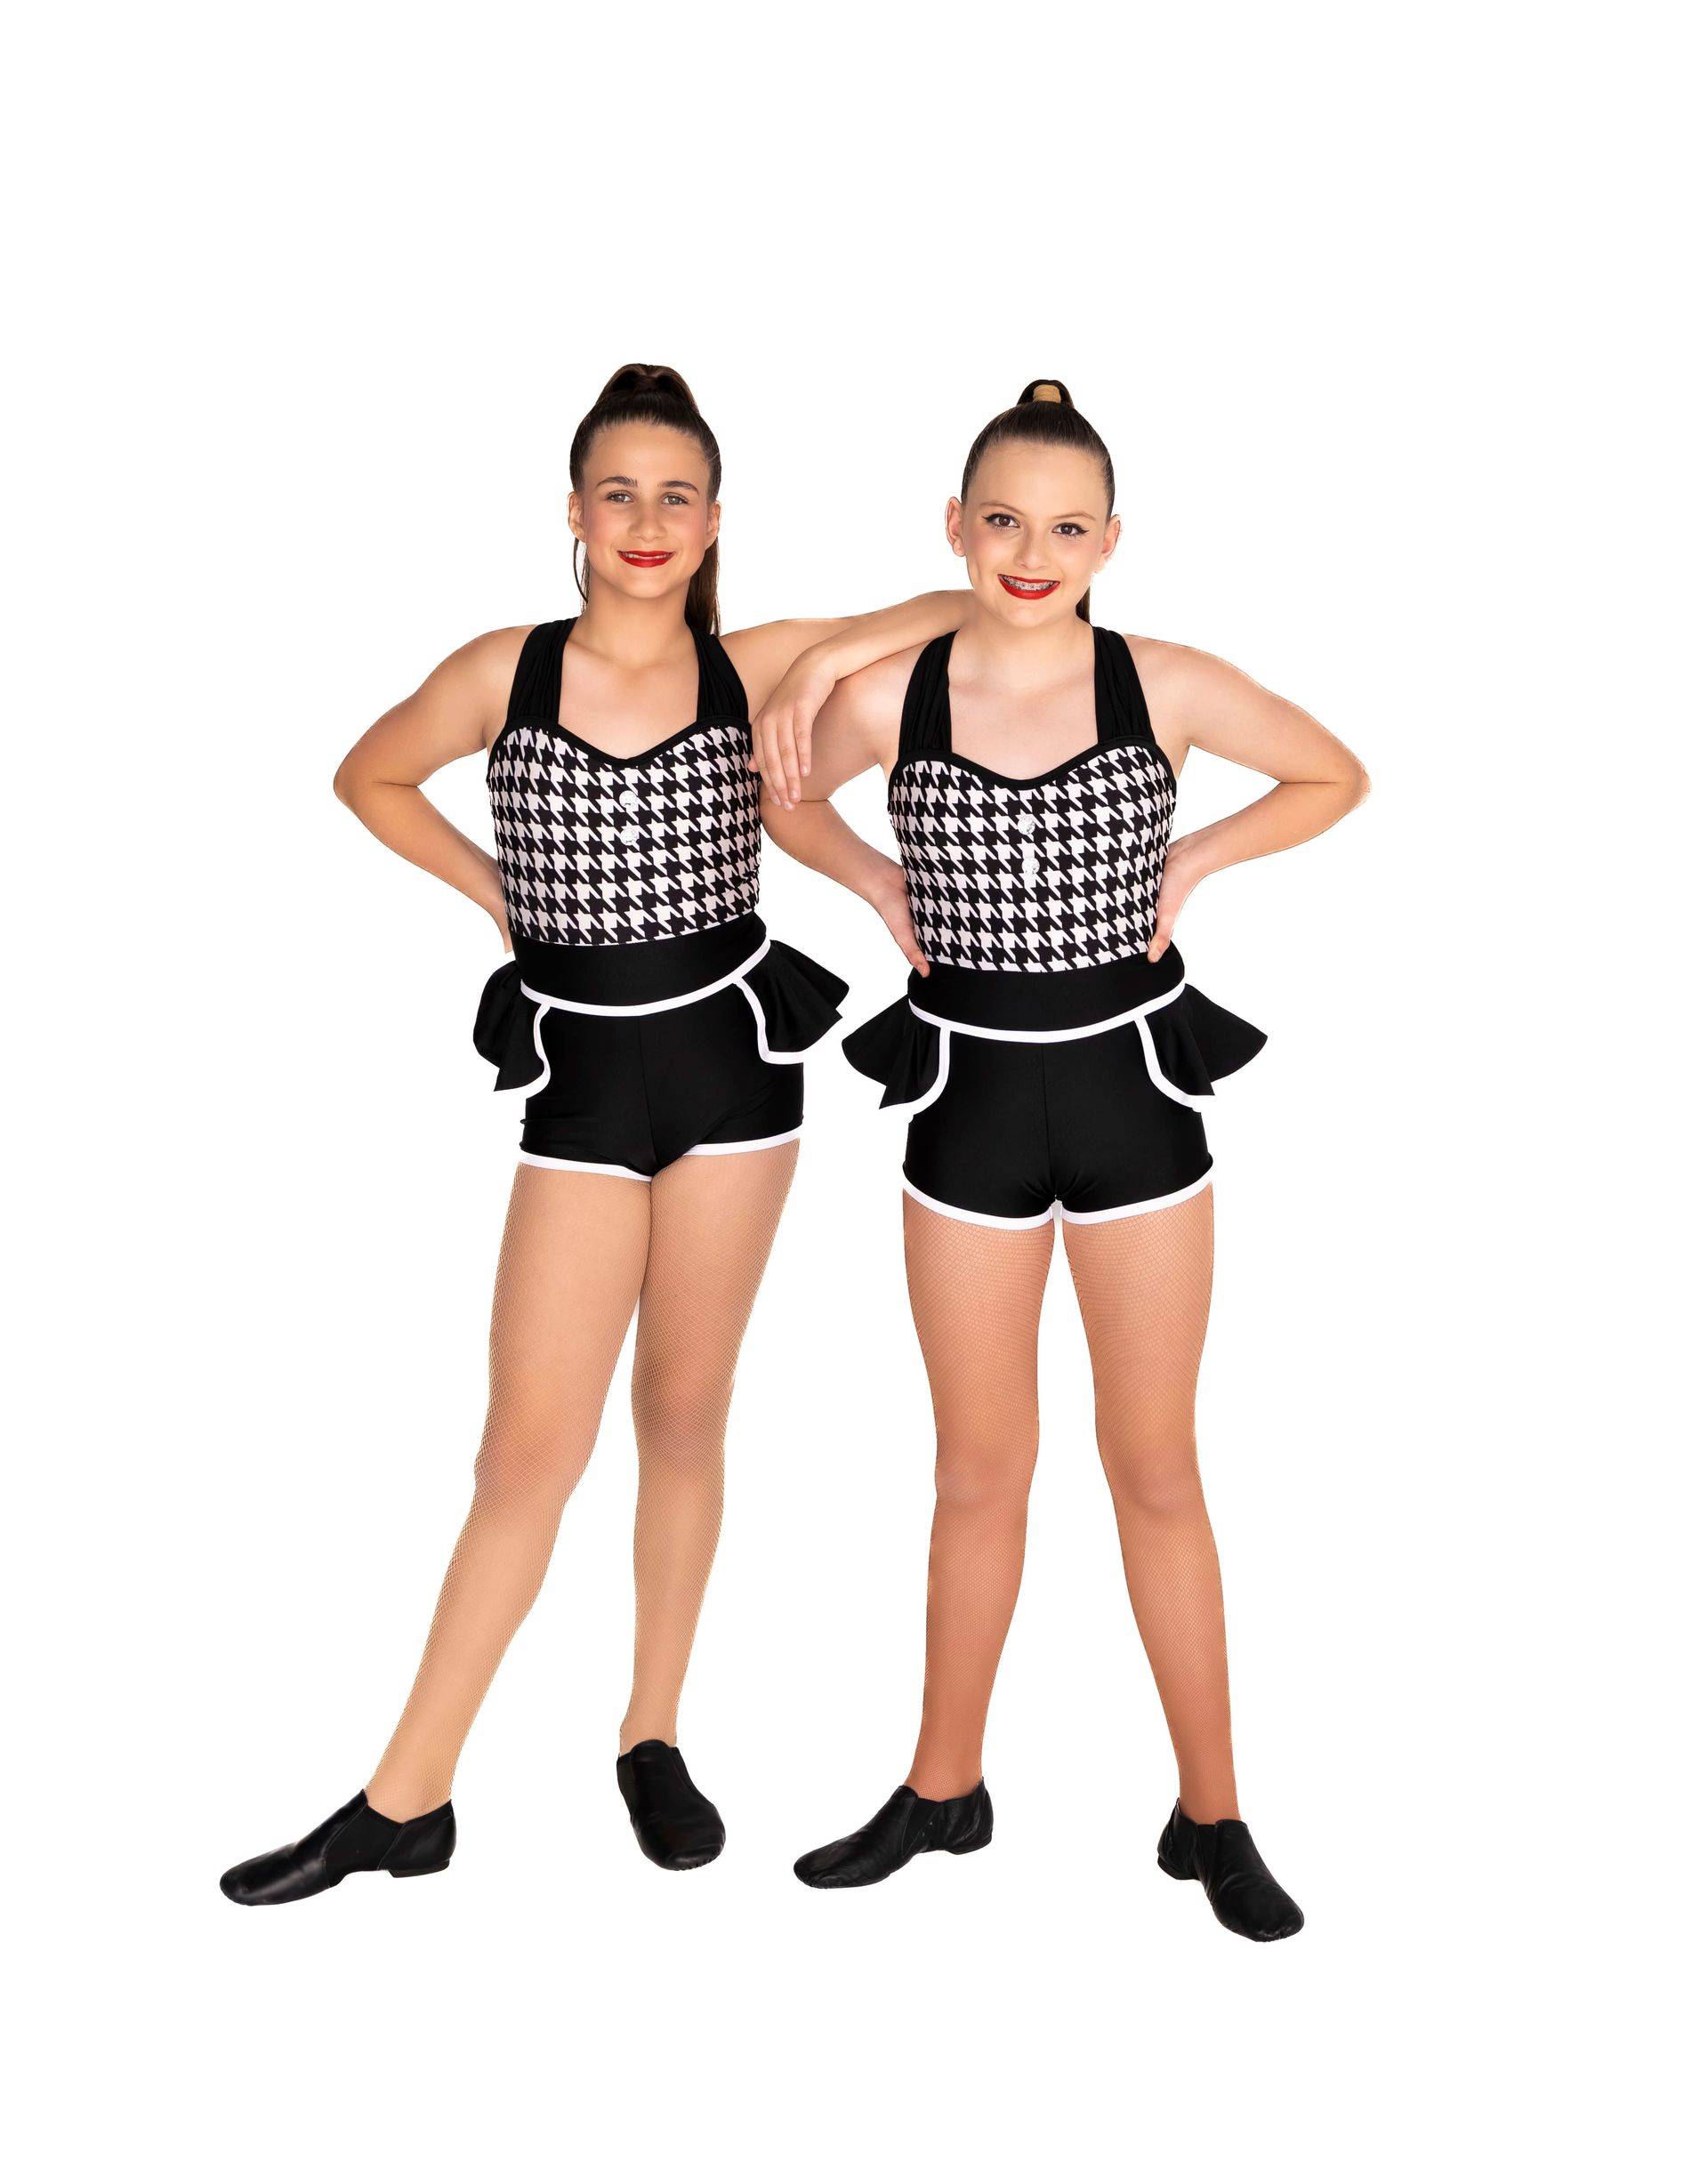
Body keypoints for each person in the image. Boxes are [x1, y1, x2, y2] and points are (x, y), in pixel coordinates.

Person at [220, 364, 960, 1905]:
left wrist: (825, 674)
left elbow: (941, 607)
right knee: (525, 1453)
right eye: (616, 492)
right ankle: (404, 1798)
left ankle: (651, 1736)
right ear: (573, 511)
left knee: (685, 1416)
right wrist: (503, 896)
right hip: (584, 1089)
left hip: (737, 1082)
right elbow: (368, 773)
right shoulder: (509, 669)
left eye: (675, 495)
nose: (645, 520)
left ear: (711, 522)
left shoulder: (746, 667)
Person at [761, 379, 1368, 1940]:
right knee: (976, 1470)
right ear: (956, 531)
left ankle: (1213, 1812)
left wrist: (1200, 855)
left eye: (1069, 525)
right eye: (1006, 521)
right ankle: (942, 1786)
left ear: (1114, 541)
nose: (1035, 551)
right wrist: (873, 882)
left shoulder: (1159, 681)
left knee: (1155, 1467)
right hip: (964, 1101)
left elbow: (1333, 774)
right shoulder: (898, 690)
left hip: (1135, 1110)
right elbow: (780, 792)